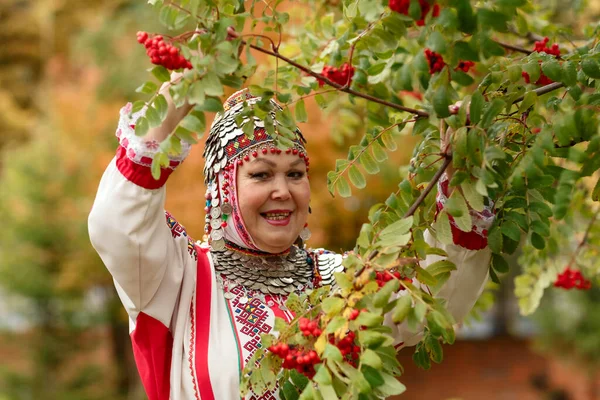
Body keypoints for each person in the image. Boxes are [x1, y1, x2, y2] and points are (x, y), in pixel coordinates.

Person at [88, 79, 494, 399]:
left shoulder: (342, 281)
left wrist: (465, 180)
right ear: (223, 188)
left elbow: (432, 295)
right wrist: (183, 87)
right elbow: (119, 225)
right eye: (261, 174)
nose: (283, 190)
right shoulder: (180, 278)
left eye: (295, 174)